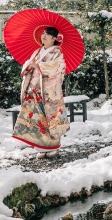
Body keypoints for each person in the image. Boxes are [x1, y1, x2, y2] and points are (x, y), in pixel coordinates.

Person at [12, 26, 70, 158]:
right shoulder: (38, 51)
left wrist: (38, 65)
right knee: (36, 118)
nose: (44, 36)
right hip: (34, 88)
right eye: (43, 33)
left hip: (48, 91)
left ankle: (53, 147)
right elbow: (28, 64)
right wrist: (29, 65)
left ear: (54, 38)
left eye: (48, 34)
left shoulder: (57, 53)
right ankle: (41, 147)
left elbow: (58, 68)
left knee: (49, 118)